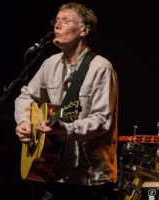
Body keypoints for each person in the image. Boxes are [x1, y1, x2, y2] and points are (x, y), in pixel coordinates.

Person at [14, 3, 118, 200]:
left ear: (84, 30)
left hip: (91, 179)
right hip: (55, 173)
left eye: (65, 21)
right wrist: (24, 121)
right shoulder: (50, 64)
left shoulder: (101, 68)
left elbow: (102, 120)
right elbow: (26, 95)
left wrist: (64, 128)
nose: (57, 26)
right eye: (56, 21)